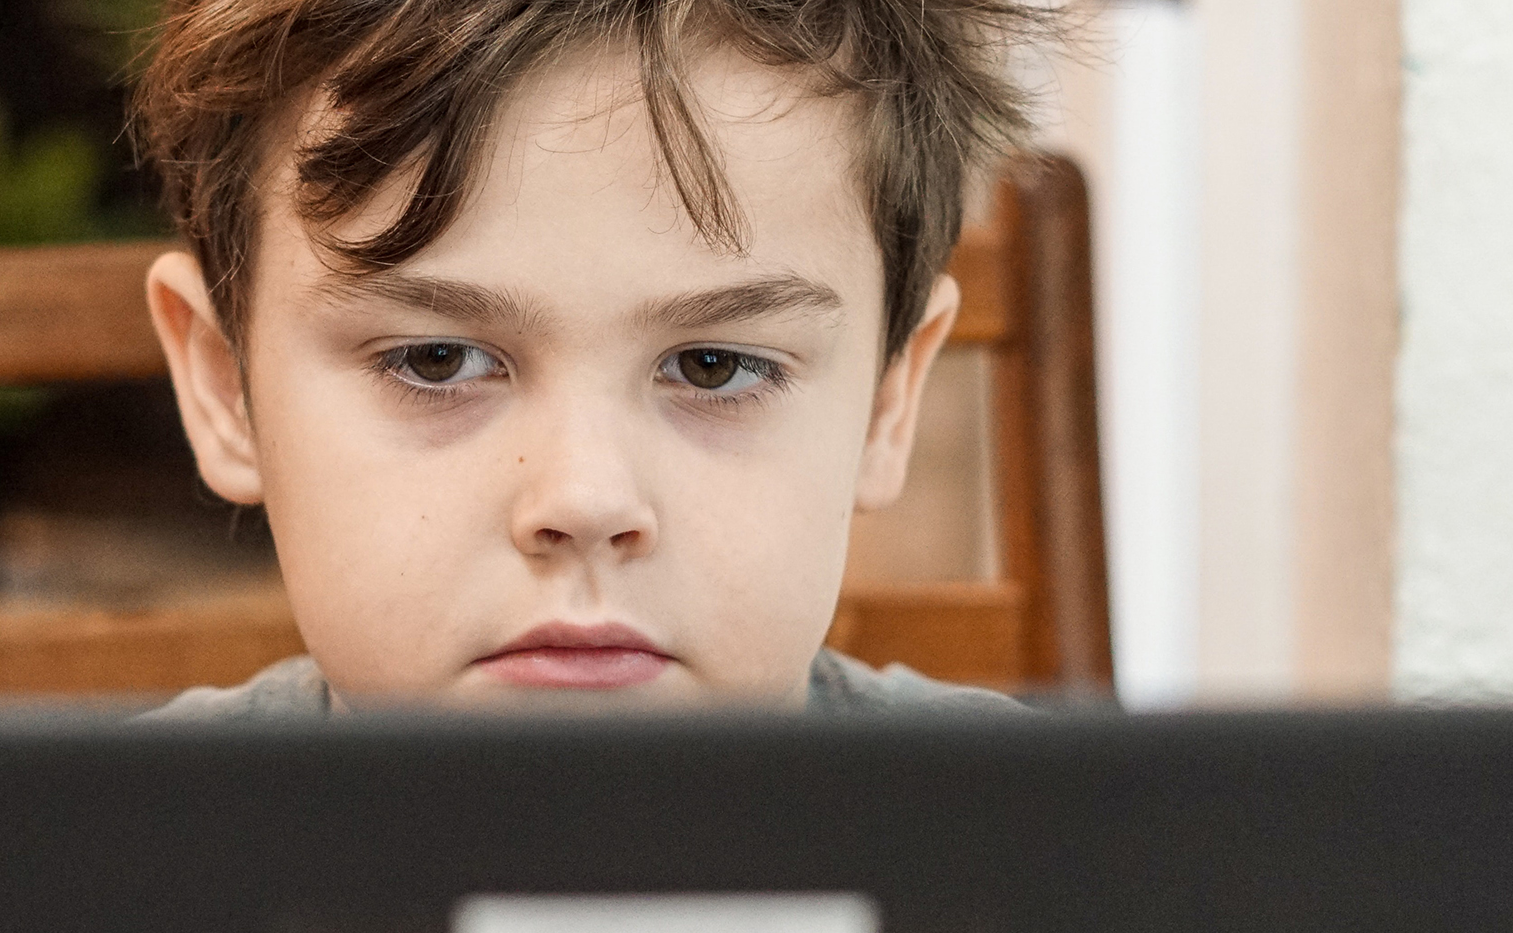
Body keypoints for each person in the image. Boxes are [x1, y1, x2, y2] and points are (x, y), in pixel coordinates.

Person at [135, 0, 1056, 717]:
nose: (583, 498)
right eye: (437, 358)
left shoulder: (1064, 871)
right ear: (227, 388)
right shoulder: (84, 883)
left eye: (713, 367)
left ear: (887, 405)